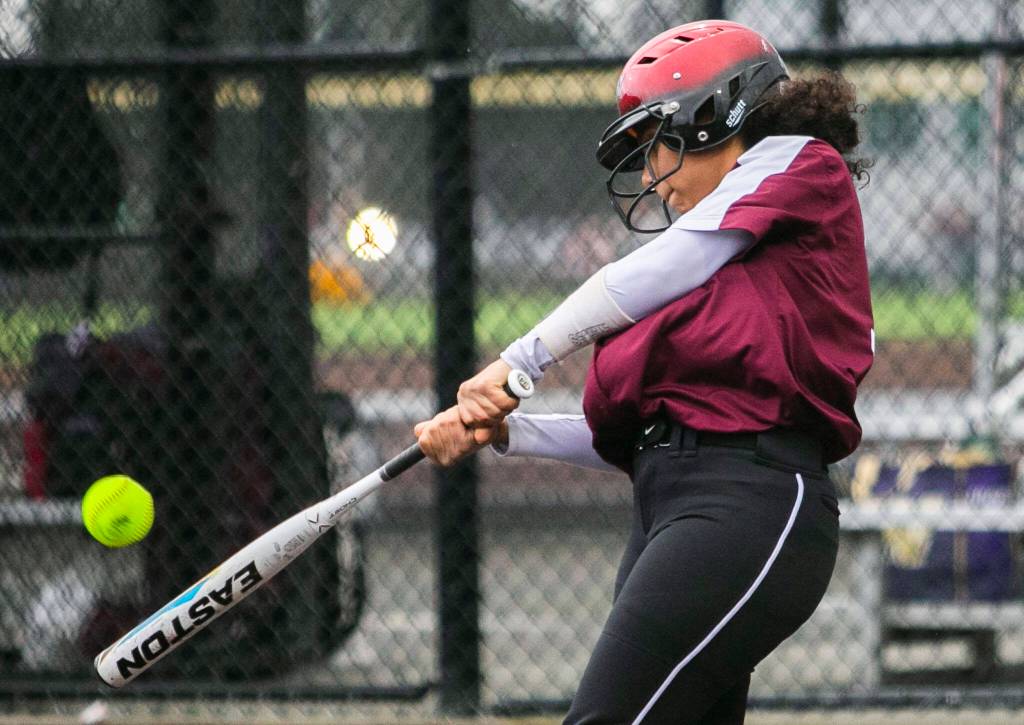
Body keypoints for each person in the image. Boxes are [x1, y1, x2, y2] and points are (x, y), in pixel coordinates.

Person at [415, 19, 874, 724]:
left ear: (713, 116)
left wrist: (520, 360)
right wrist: (507, 432)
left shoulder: (798, 165)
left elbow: (659, 270)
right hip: (668, 510)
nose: (653, 179)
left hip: (749, 503)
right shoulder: (702, 273)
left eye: (658, 143)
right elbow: (647, 434)